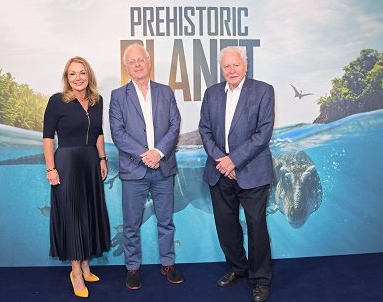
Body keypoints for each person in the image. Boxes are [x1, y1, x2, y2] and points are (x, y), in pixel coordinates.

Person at [199, 46, 275, 302]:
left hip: (252, 171)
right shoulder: (211, 94)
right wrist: (223, 161)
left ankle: (261, 279)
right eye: (226, 66)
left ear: (246, 65)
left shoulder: (264, 91)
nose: (231, 70)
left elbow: (263, 134)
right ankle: (238, 268)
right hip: (219, 172)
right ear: (221, 69)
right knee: (226, 225)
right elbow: (205, 130)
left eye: (236, 65)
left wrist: (234, 160)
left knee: (256, 227)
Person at [109, 43, 183, 290]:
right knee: (131, 224)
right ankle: (132, 268)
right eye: (132, 61)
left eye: (141, 59)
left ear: (149, 61)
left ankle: (168, 264)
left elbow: (174, 125)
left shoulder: (165, 92)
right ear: (126, 67)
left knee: (166, 221)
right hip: (134, 169)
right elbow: (117, 133)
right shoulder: (118, 96)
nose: (137, 64)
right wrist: (145, 155)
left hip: (163, 168)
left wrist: (159, 153)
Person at [43, 56, 111, 298]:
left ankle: (85, 264)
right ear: (67, 77)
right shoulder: (57, 101)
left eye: (82, 73)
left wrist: (102, 159)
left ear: (88, 76)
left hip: (90, 163)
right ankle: (75, 272)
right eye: (73, 74)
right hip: (67, 164)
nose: (78, 78)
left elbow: (99, 132)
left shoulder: (97, 101)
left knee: (87, 214)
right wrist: (51, 169)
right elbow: (48, 137)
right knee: (73, 216)